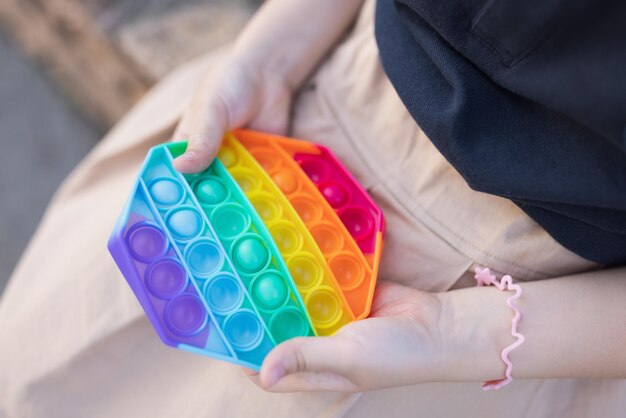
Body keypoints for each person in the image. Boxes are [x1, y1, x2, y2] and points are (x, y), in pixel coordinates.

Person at [0, 0, 624, 416]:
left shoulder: (463, 332)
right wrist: (271, 55)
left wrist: (458, 333)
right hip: (283, 126)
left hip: (509, 316)